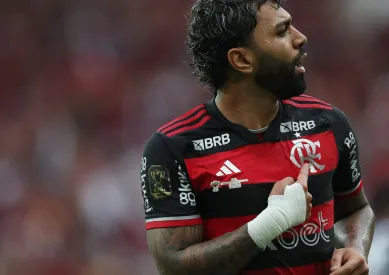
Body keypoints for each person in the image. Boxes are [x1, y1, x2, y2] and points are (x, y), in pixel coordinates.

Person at [139, 0, 375, 274]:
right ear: (242, 60)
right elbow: (173, 266)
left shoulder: (328, 124)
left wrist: (355, 247)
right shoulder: (174, 148)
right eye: (282, 31)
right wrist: (270, 224)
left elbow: (356, 210)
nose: (300, 38)